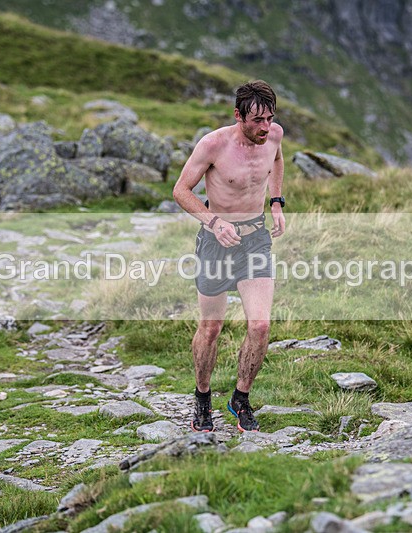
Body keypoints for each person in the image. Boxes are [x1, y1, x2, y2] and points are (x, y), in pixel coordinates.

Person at [172, 80, 286, 432]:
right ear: (238, 116)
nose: (265, 128)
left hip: (256, 242)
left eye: (269, 118)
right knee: (211, 328)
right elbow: (180, 190)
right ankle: (202, 399)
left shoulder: (275, 135)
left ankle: (240, 399)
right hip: (215, 244)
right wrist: (213, 220)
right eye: (257, 121)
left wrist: (277, 203)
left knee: (261, 325)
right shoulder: (213, 145)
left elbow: (278, 161)